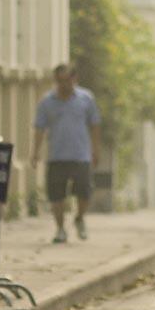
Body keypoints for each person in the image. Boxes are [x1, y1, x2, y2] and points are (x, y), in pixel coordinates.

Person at [31, 63, 102, 244]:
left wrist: (95, 150)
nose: (63, 84)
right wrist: (35, 152)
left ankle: (79, 218)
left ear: (74, 79)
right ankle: (60, 229)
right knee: (57, 196)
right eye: (59, 81)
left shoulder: (86, 99)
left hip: (81, 155)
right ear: (55, 81)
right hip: (56, 155)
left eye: (67, 80)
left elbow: (94, 125)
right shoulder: (47, 102)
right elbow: (39, 128)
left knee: (84, 193)